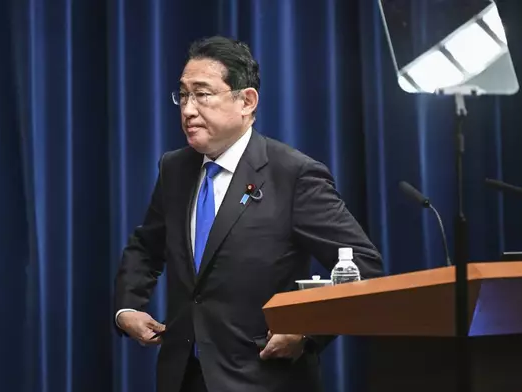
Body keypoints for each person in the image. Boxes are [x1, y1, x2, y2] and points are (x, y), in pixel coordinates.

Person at [114, 35, 384, 392]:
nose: (188, 109)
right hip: (183, 377)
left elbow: (362, 266)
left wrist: (306, 332)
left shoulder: (293, 174)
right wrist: (127, 309)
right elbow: (147, 246)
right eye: (183, 95)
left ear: (247, 101)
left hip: (262, 377)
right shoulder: (175, 168)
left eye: (203, 94)